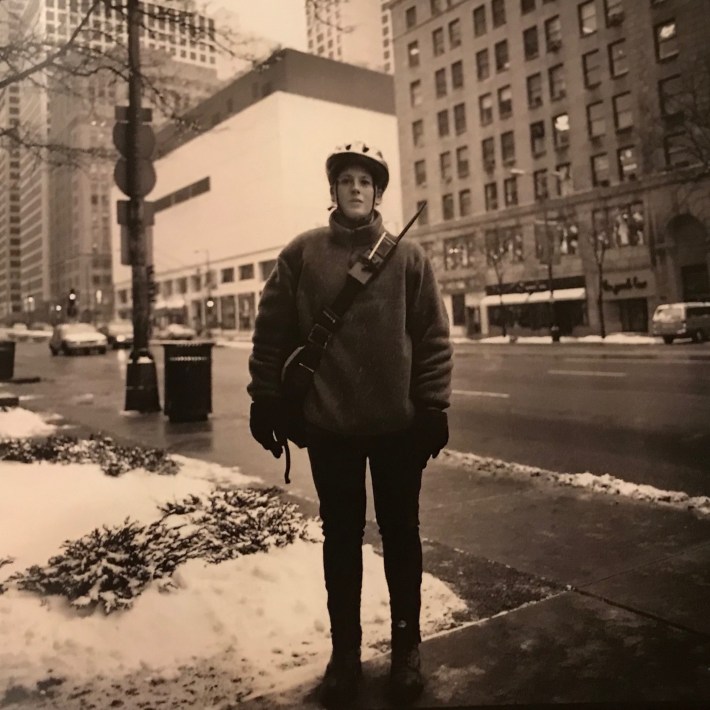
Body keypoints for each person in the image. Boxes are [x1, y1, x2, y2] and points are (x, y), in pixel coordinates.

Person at [247, 142, 452, 706]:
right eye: (346, 180)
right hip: (330, 428)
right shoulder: (303, 253)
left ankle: (407, 650)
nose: (356, 188)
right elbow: (271, 332)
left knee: (402, 536)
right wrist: (265, 398)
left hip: (396, 430)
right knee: (340, 540)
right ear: (333, 191)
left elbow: (432, 337)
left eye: (366, 181)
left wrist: (433, 407)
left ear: (378, 192)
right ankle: (345, 653)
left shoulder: (408, 259)